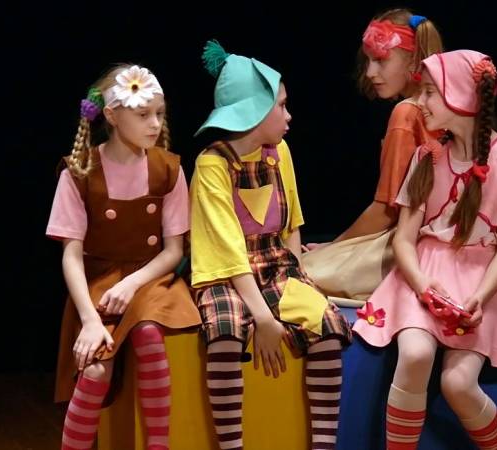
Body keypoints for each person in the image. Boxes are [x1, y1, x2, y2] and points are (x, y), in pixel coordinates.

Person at [353, 49, 497, 449]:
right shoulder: (427, 156)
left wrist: (479, 297)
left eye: (430, 92)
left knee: (458, 383)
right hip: (424, 273)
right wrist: (423, 286)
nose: (420, 102)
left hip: (480, 281)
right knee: (415, 355)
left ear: (462, 96)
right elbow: (405, 239)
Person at [189, 40, 352, 450]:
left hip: (275, 267)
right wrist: (263, 318)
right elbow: (227, 253)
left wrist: (300, 281)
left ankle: (323, 445)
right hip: (226, 275)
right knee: (226, 332)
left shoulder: (280, 152)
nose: (289, 115)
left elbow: (292, 224)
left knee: (328, 326)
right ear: (256, 112)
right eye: (281, 106)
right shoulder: (212, 165)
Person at [46, 64, 201, 450]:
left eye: (159, 113)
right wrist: (88, 319)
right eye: (143, 114)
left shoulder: (168, 169)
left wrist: (132, 284)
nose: (155, 123)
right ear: (112, 117)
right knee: (96, 369)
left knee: (149, 335)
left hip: (151, 279)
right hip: (99, 283)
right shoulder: (79, 172)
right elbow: (71, 255)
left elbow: (174, 250)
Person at [302, 9, 444, 306]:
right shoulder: (445, 109)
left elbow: (387, 211)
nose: (369, 72)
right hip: (441, 246)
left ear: (414, 60)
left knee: (300, 272)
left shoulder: (407, 113)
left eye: (380, 60)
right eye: (368, 61)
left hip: (409, 249)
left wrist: (333, 248)